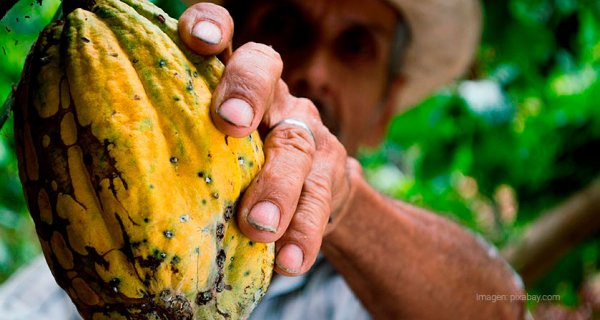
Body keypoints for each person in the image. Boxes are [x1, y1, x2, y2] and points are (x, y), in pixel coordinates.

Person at [0, 0, 528, 319]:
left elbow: (500, 311)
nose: (316, 69)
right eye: (285, 22)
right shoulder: (84, 270)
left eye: (355, 46)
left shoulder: (380, 289)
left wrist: (342, 203)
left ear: (386, 109)